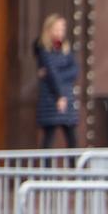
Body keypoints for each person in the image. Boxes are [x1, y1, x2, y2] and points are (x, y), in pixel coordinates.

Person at [35, 14, 79, 149]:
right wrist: (60, 95)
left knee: (72, 138)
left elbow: (75, 69)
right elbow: (51, 71)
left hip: (67, 96)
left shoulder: (65, 48)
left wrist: (55, 75)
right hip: (51, 98)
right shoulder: (43, 49)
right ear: (49, 30)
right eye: (57, 29)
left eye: (62, 29)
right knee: (49, 136)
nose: (60, 32)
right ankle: (45, 169)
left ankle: (76, 169)